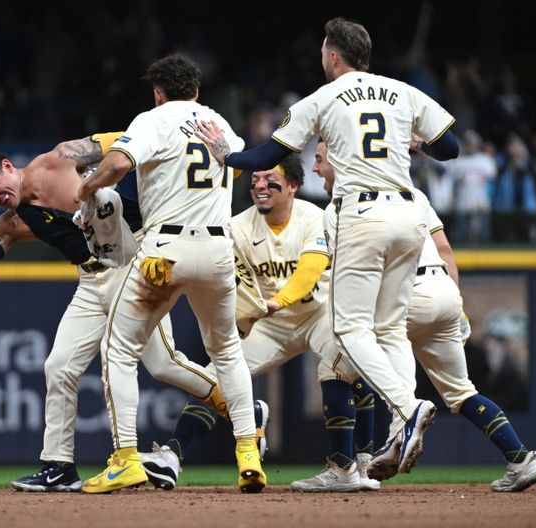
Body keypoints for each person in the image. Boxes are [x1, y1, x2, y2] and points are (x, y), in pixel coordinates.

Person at [195, 17, 459, 474]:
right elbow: (450, 147)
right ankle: (400, 431)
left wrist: (228, 157)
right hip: (408, 212)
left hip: (362, 215)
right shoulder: (402, 91)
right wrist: (415, 143)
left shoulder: (323, 97)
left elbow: (269, 156)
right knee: (390, 330)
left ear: (333, 56)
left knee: (352, 330)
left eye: (323, 51)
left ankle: (408, 407)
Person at [0, 133, 227, 492]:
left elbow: (135, 138)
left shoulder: (60, 158)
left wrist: (189, 139)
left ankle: (240, 405)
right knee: (59, 366)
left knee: (163, 364)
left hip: (130, 265)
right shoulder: (11, 223)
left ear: (7, 167)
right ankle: (58, 466)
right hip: (89, 281)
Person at [76, 53, 266, 493]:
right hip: (219, 248)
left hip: (166, 250)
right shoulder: (218, 123)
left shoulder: (153, 118)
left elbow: (119, 165)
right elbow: (237, 166)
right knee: (227, 352)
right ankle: (248, 453)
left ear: (158, 93)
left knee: (119, 348)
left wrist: (86, 187)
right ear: (197, 90)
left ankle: (125, 458)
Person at [315, 138, 536, 492]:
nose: (316, 167)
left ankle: (370, 452)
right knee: (461, 392)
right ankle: (520, 459)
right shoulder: (413, 193)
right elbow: (446, 250)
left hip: (405, 294)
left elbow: (357, 274)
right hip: (443, 293)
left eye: (320, 160)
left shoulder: (340, 207)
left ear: (341, 162)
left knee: (337, 361)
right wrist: (457, 304)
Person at [140, 154, 380, 493]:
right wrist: (240, 320)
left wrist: (276, 301)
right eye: (255, 181)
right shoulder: (236, 227)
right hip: (269, 324)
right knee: (217, 373)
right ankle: (173, 455)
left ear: (294, 186)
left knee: (344, 363)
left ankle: (355, 462)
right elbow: (232, 286)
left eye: (270, 180)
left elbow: (309, 270)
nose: (260, 186)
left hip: (319, 314)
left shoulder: (316, 217)